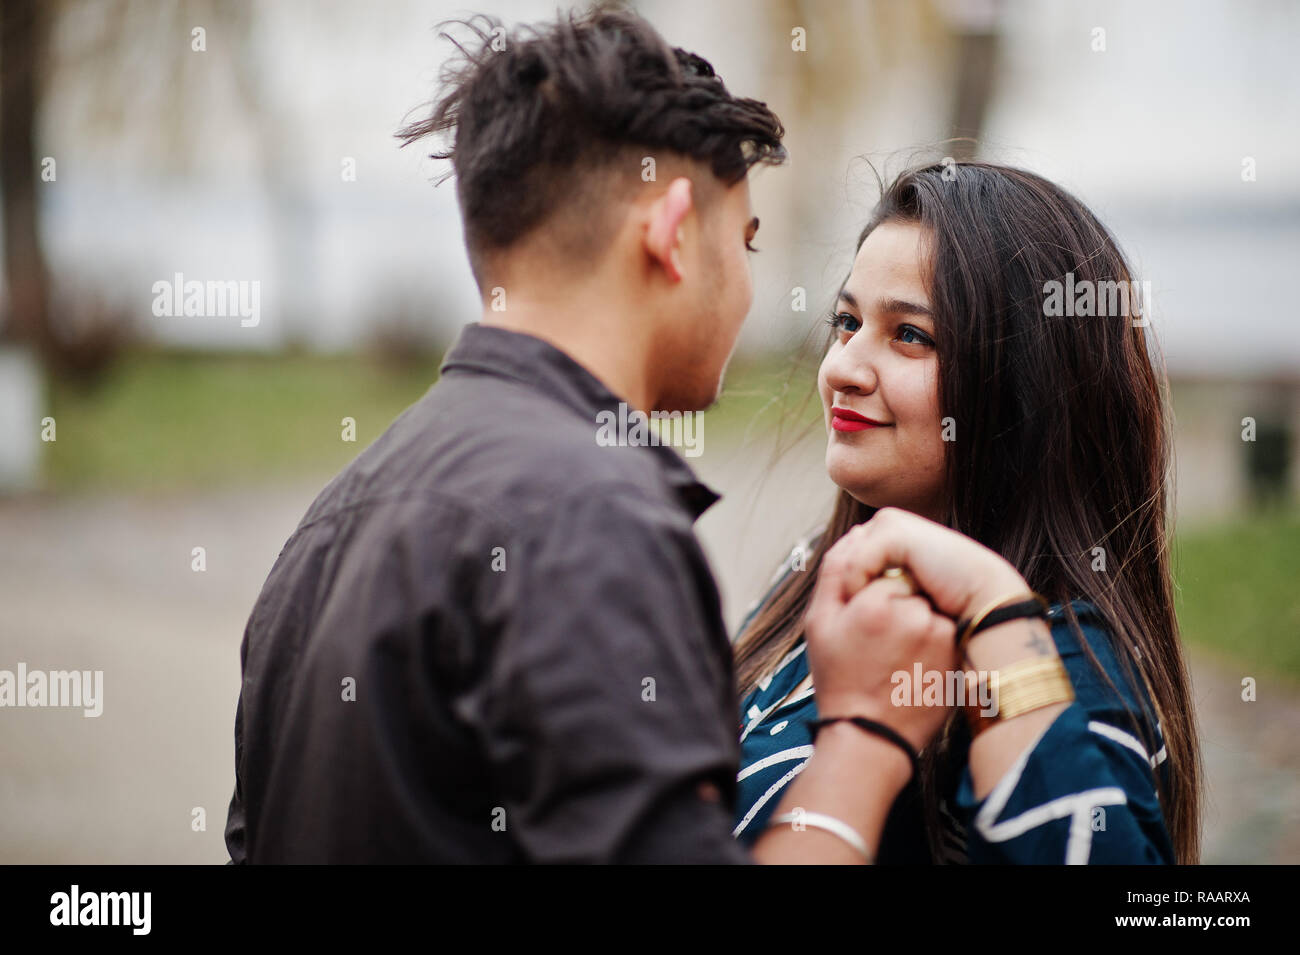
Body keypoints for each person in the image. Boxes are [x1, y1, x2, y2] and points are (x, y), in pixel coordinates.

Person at [223, 7, 962, 865]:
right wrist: (864, 739)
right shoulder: (589, 519)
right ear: (673, 230)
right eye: (745, 241)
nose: (750, 289)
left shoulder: (336, 514)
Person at [732, 160, 1203, 864]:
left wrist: (993, 611)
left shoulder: (1062, 668)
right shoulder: (820, 579)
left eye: (911, 336)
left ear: (1026, 391)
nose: (841, 368)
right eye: (847, 321)